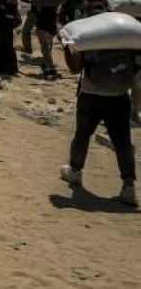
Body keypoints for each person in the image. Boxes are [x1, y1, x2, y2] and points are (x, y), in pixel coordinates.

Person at [59, 44, 138, 207]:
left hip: (91, 96)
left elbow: (74, 68)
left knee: (82, 135)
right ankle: (129, 186)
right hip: (119, 97)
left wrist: (67, 46)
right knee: (122, 142)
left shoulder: (91, 37)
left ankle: (75, 170)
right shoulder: (125, 39)